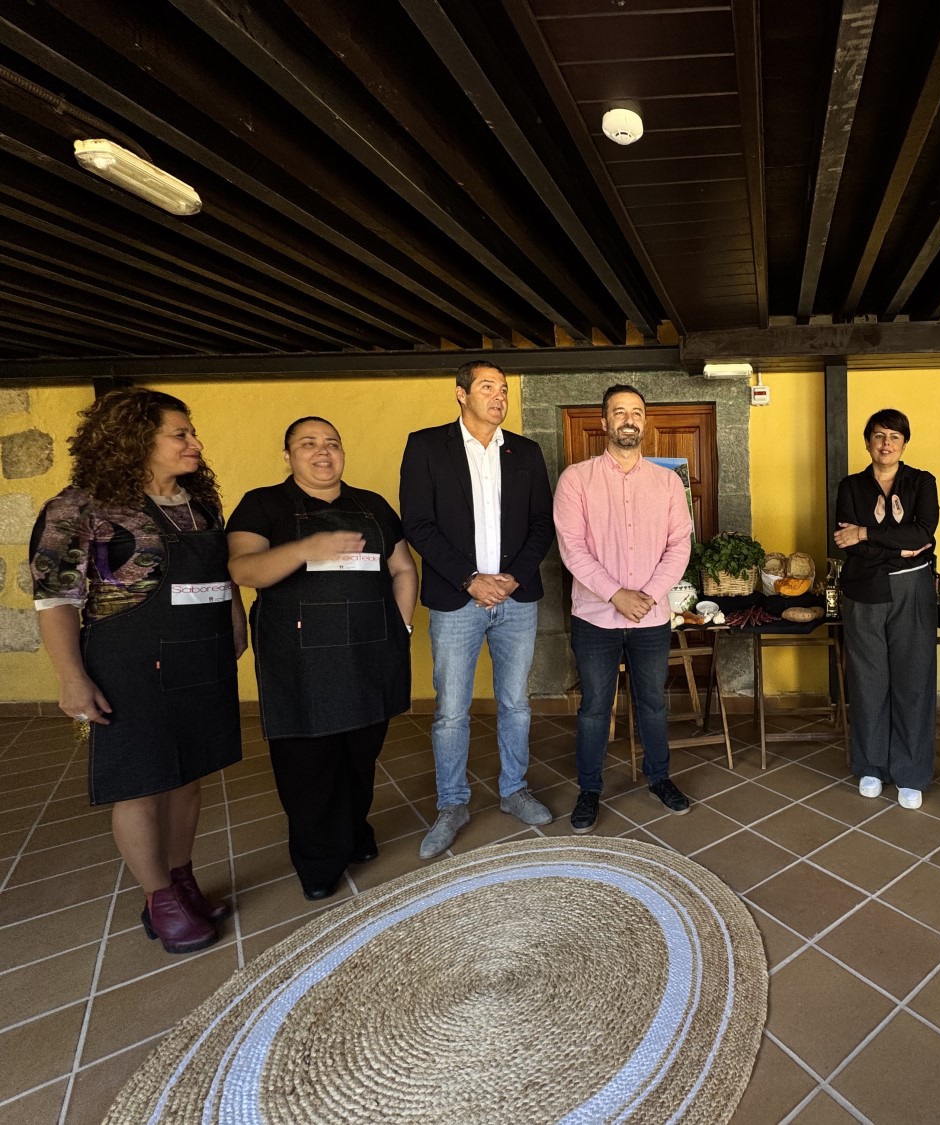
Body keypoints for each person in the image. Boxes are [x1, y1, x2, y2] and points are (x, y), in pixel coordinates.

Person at [30, 387, 245, 954]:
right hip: (129, 662)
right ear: (134, 441)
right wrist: (72, 679)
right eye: (181, 434)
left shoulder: (200, 503)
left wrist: (236, 623)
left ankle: (181, 878)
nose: (195, 444)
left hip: (200, 655)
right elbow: (55, 600)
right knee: (141, 783)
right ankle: (159, 898)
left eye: (191, 432)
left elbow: (221, 577)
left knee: (190, 775)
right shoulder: (79, 508)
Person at [227, 418, 417, 899]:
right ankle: (318, 863)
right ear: (287, 455)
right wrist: (307, 548)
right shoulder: (263, 504)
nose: (323, 452)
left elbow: (401, 568)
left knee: (360, 755)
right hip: (300, 662)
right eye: (308, 444)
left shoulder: (372, 505)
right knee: (308, 765)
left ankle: (354, 832)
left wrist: (401, 626)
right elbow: (244, 569)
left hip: (370, 652)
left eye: (332, 443)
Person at [400, 361, 557, 858]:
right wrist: (469, 579)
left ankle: (514, 790)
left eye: (504, 389)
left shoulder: (525, 452)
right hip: (457, 599)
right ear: (461, 394)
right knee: (451, 710)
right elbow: (418, 524)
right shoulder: (427, 446)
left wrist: (513, 577)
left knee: (516, 703)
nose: (498, 396)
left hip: (516, 598)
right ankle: (452, 804)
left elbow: (542, 523)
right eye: (488, 387)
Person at [554, 384, 694, 832]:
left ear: (645, 422)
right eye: (619, 412)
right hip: (595, 618)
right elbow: (572, 548)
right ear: (604, 422)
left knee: (652, 702)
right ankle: (589, 789)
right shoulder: (576, 479)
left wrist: (647, 594)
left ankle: (659, 778)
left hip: (651, 617)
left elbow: (679, 546)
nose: (629, 419)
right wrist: (616, 594)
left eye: (636, 412)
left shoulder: (667, 483)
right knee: (595, 706)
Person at [833, 409, 939, 808]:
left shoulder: (921, 482)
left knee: (914, 678)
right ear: (868, 442)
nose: (886, 443)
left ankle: (910, 772)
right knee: (868, 680)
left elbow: (924, 533)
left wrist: (866, 533)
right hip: (864, 590)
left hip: (912, 589)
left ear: (904, 444)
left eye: (894, 436)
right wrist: (899, 546)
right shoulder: (851, 486)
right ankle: (871, 765)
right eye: (879, 436)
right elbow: (845, 542)